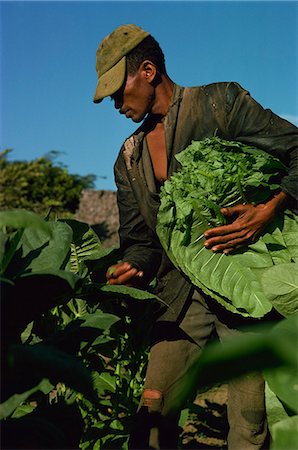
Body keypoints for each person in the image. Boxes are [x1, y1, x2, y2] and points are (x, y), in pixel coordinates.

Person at [93, 24, 298, 449]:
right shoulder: (128, 158)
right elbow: (141, 243)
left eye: (118, 91)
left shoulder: (220, 103)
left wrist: (270, 207)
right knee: (153, 412)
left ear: (147, 71)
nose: (114, 103)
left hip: (242, 287)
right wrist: (133, 265)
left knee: (250, 423)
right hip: (179, 295)